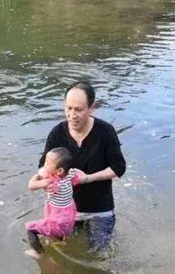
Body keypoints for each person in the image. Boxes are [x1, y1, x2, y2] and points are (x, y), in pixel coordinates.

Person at [38, 80, 126, 251]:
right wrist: (45, 183)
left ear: (91, 108)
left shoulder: (105, 132)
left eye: (78, 109)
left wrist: (88, 178)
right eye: (68, 108)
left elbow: (119, 167)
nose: (72, 115)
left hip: (100, 209)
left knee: (96, 255)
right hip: (65, 210)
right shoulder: (57, 133)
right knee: (55, 249)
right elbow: (42, 167)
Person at [25, 147, 86, 259]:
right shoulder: (71, 174)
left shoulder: (51, 181)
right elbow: (82, 174)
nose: (44, 165)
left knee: (31, 230)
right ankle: (62, 241)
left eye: (47, 163)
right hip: (69, 217)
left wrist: (37, 176)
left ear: (59, 171)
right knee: (57, 229)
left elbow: (31, 186)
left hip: (58, 220)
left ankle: (39, 253)